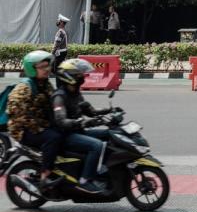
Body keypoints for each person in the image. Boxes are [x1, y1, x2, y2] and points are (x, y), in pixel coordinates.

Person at [51, 59, 116, 194]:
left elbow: (91, 111)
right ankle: (85, 180)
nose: (82, 77)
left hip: (77, 131)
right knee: (96, 145)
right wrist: (79, 122)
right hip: (65, 136)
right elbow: (61, 120)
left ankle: (101, 169)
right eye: (79, 74)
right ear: (69, 76)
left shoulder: (75, 93)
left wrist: (110, 110)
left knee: (110, 134)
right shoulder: (60, 96)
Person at [6, 51, 63, 192]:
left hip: (39, 125)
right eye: (42, 66)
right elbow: (17, 113)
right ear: (32, 69)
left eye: (47, 65)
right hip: (23, 130)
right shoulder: (24, 88)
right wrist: (42, 127)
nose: (47, 69)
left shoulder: (45, 84)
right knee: (53, 137)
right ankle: (44, 177)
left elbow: (55, 101)